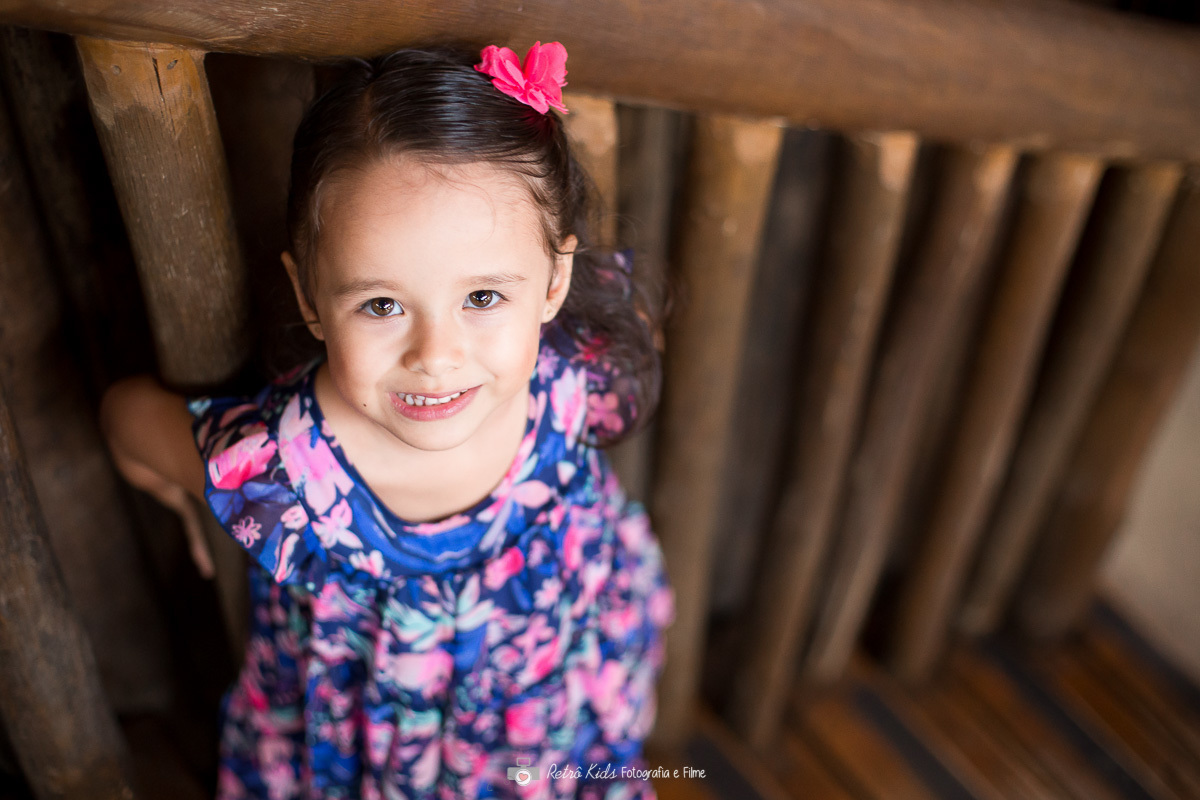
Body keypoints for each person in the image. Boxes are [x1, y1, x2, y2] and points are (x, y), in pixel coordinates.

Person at [99, 42, 676, 800]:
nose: (436, 357)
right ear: (308, 297)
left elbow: (123, 419)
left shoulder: (580, 364)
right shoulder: (285, 468)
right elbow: (126, 417)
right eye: (381, 305)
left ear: (554, 283)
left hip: (559, 701)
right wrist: (186, 491)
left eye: (482, 298)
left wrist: (187, 491)